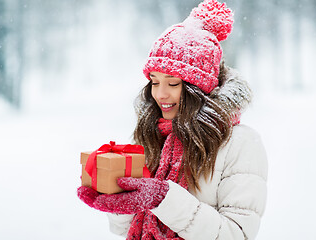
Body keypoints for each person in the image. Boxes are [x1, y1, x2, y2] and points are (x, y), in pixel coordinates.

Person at [77, 0, 268, 239]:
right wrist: (116, 200)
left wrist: (164, 199)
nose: (160, 94)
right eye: (155, 82)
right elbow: (124, 230)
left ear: (199, 88)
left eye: (173, 83)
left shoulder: (240, 143)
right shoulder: (152, 134)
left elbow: (237, 234)